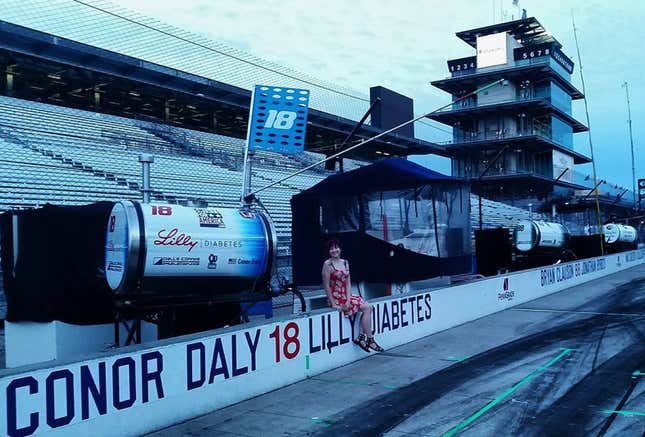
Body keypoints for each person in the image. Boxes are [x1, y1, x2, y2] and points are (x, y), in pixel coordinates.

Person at [321, 238, 383, 353]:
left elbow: (348, 283)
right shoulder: (327, 264)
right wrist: (334, 303)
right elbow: (326, 286)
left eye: (336, 247)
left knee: (369, 308)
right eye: (331, 248)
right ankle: (369, 339)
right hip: (335, 298)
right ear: (328, 251)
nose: (334, 250)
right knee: (367, 308)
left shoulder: (345, 262)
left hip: (345, 296)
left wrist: (349, 299)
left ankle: (361, 337)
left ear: (340, 249)